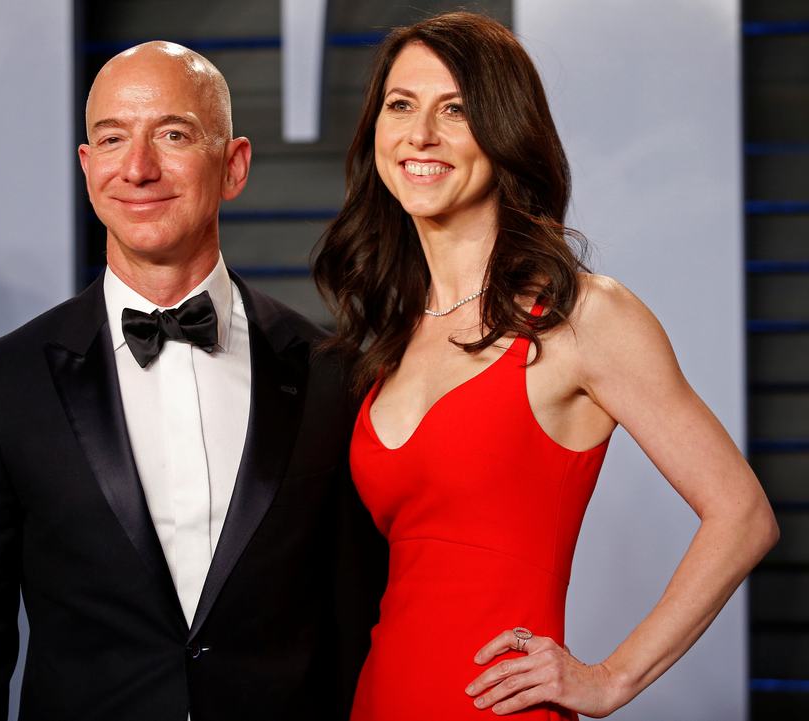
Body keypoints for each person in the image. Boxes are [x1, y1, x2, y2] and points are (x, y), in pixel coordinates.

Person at [312, 11, 778, 720]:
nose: (420, 135)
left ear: (504, 131)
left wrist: (612, 678)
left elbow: (743, 515)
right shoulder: (392, 332)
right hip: (379, 698)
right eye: (400, 105)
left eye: (456, 109)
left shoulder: (582, 317)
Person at [0, 42, 384, 721]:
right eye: (111, 139)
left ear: (235, 165)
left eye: (173, 134)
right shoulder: (1, 384)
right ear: (87, 167)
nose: (138, 168)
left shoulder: (329, 373)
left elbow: (358, 627)